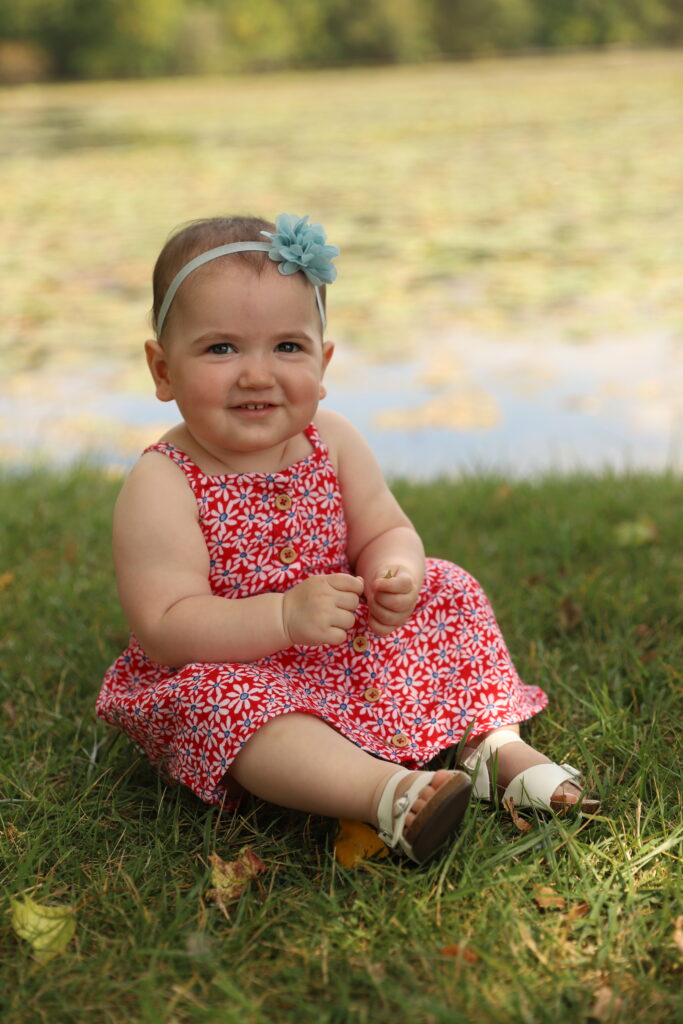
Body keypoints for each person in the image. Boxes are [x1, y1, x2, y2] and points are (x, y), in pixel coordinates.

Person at [97, 213, 598, 865]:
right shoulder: (163, 482)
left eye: (287, 347)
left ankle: (492, 747)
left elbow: (385, 527)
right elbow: (165, 625)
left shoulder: (330, 441)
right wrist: (280, 616)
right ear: (162, 369)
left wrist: (397, 570)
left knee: (447, 585)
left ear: (323, 360)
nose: (256, 373)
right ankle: (385, 793)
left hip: (339, 644)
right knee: (220, 701)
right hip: (234, 668)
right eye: (221, 348)